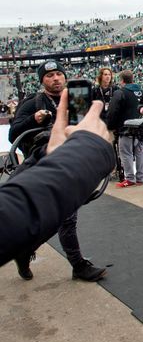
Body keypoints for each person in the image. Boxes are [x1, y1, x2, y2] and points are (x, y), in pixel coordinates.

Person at [8, 60, 107, 282]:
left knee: (64, 218)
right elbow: (13, 133)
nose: (55, 78)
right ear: (42, 80)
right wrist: (34, 119)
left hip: (72, 165)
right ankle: (77, 265)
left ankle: (27, 253)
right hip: (45, 166)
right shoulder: (32, 102)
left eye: (58, 74)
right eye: (49, 75)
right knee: (58, 218)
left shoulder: (77, 99)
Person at [106, 70, 143, 188]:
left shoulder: (120, 92)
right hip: (141, 127)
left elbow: (113, 111)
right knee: (140, 153)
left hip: (126, 128)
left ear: (122, 80)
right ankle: (140, 178)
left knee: (126, 153)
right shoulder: (141, 91)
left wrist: (111, 126)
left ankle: (129, 178)